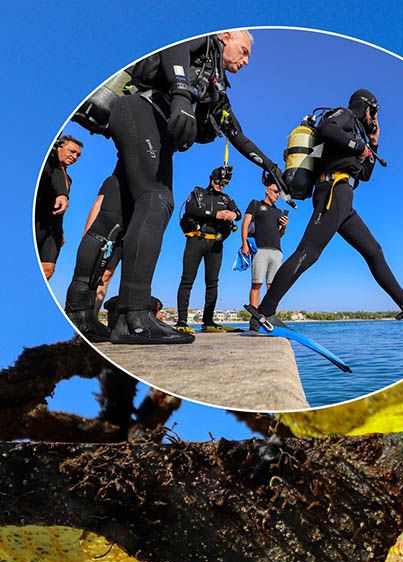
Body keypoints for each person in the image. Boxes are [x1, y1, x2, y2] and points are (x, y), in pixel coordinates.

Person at [63, 29, 284, 345]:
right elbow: (174, 45)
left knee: (113, 219)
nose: (246, 60)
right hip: (142, 111)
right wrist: (181, 94)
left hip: (142, 125)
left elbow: (238, 136)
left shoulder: (215, 89)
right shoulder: (202, 42)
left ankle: (79, 314)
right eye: (245, 50)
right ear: (225, 37)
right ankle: (134, 315)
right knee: (157, 199)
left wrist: (272, 167)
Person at [254, 89, 403, 327]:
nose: (373, 118)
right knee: (308, 252)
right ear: (368, 108)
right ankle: (265, 311)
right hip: (332, 191)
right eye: (373, 112)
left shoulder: (355, 132)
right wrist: (358, 146)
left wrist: (373, 143)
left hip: (344, 196)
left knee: (373, 250)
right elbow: (327, 129)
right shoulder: (344, 115)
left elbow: (364, 175)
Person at [174, 166, 241, 333]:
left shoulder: (227, 199)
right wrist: (216, 215)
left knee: (212, 282)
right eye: (218, 181)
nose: (220, 185)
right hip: (196, 239)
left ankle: (208, 321)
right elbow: (191, 209)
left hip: (216, 243)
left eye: (224, 183)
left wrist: (234, 215)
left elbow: (238, 213)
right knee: (187, 280)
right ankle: (182, 321)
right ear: (212, 178)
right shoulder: (198, 194)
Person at [63, 173, 124, 341]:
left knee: (107, 275)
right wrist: (88, 232)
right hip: (106, 232)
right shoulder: (113, 180)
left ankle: (93, 319)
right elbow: (98, 204)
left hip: (125, 233)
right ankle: (84, 319)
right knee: (95, 275)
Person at [35, 135, 83, 280]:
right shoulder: (46, 166)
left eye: (78, 155)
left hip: (53, 228)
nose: (75, 157)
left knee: (48, 269)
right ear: (58, 147)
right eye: (72, 151)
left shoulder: (68, 179)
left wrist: (60, 231)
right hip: (38, 221)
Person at [242, 174, 289, 308]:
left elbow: (279, 234)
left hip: (276, 251)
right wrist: (245, 244)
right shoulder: (255, 204)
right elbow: (245, 224)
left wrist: (284, 227)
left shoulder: (279, 211)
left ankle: (269, 315)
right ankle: (254, 317)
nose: (277, 195)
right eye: (275, 192)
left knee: (272, 287)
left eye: (279, 193)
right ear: (267, 190)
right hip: (260, 250)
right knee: (256, 284)